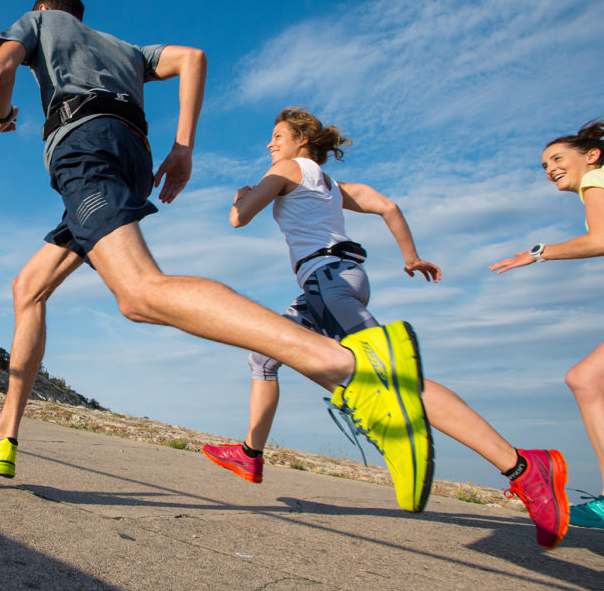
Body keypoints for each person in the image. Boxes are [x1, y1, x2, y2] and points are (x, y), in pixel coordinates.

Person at [0, 0, 433, 515]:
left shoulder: (41, 22)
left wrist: (2, 116)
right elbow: (193, 58)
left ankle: (344, 365)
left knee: (138, 295)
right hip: (132, 155)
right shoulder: (124, 47)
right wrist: (183, 146)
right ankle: (3, 433)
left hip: (84, 148)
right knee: (29, 287)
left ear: (45, 9)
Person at [201, 107, 569, 548]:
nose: (270, 143)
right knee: (263, 352)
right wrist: (410, 257)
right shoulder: (332, 186)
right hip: (337, 279)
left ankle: (522, 466)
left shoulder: (284, 169)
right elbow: (388, 206)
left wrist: (242, 196)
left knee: (391, 380)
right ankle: (250, 455)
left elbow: (240, 218)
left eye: (277, 135)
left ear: (301, 141)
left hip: (328, 282)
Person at [490, 120, 604, 530]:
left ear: (591, 154)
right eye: (543, 165)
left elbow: (599, 239)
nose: (550, 168)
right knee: (587, 379)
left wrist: (538, 253)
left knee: (587, 380)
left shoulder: (596, 179)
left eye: (557, 158)